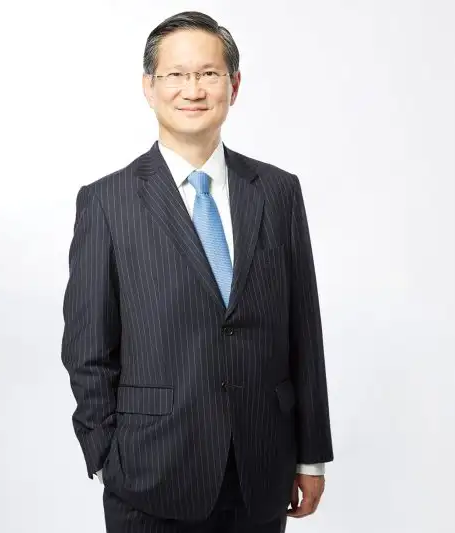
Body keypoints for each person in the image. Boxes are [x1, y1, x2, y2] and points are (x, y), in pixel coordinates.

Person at [61, 10, 334, 532]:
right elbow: (87, 348)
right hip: (151, 473)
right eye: (176, 74)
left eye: (209, 74)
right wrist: (105, 455)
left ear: (234, 85)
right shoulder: (107, 202)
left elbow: (304, 331)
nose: (193, 89)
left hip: (262, 468)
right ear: (149, 86)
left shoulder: (278, 192)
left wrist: (311, 455)